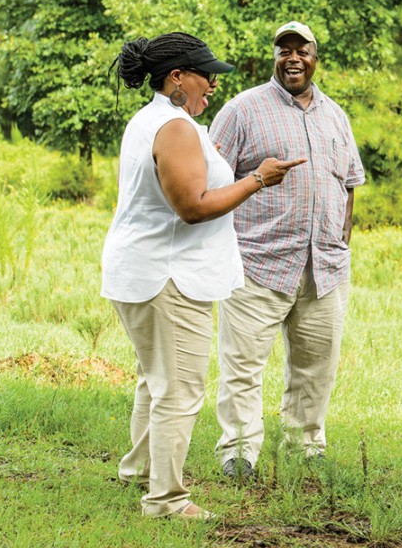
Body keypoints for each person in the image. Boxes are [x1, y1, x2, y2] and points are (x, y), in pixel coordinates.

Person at [102, 32, 305, 519]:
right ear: (176, 77)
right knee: (181, 388)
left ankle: (141, 471)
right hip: (168, 279)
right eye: (205, 75)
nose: (213, 84)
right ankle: (167, 500)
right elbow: (192, 207)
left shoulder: (151, 119)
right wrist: (257, 179)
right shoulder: (174, 128)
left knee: (156, 380)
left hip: (145, 270)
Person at [208, 21, 365, 479]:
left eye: (303, 50)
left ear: (317, 58)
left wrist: (341, 240)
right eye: (285, 49)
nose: (293, 57)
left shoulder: (336, 116)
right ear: (274, 56)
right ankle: (238, 453)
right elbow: (211, 180)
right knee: (242, 366)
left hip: (324, 269)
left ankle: (305, 448)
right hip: (258, 263)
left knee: (315, 368)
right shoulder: (241, 110)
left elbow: (350, 184)